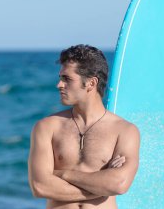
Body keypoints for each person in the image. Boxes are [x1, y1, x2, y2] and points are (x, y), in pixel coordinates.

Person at [28, 44, 140, 209]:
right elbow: (40, 186)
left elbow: (119, 184)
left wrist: (63, 174)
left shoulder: (124, 131)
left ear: (91, 83)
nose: (59, 85)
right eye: (60, 78)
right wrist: (102, 186)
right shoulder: (47, 127)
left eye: (67, 79)